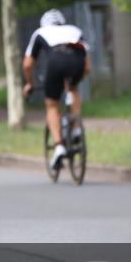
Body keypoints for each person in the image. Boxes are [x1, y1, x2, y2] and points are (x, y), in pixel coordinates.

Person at [22, 9, 92, 170]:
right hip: (77, 62)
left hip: (56, 61)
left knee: (52, 104)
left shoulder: (40, 32)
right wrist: (74, 81)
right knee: (73, 90)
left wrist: (29, 84)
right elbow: (88, 67)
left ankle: (59, 145)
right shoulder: (75, 30)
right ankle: (75, 129)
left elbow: (27, 64)